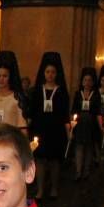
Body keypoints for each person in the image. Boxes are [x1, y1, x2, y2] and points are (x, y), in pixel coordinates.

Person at [28, 52, 71, 199]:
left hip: (56, 130)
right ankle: (40, 189)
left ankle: (54, 188)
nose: (50, 75)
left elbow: (65, 113)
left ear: (56, 74)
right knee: (39, 159)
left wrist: (68, 130)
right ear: (43, 73)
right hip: (40, 128)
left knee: (54, 161)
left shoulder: (61, 91)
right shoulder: (37, 91)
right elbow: (32, 110)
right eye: (47, 72)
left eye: (53, 72)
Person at [71, 67, 103, 180]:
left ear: (93, 82)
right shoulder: (77, 94)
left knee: (89, 148)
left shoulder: (96, 95)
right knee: (79, 147)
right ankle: (78, 171)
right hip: (80, 124)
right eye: (85, 80)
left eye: (89, 80)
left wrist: (101, 126)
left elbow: (98, 111)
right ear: (82, 82)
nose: (87, 82)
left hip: (91, 124)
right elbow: (74, 110)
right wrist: (72, 125)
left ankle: (86, 171)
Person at [0, 57, 27, 133]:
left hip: (10, 139)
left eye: (5, 76)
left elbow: (22, 126)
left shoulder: (16, 97)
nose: (1, 79)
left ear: (10, 78)